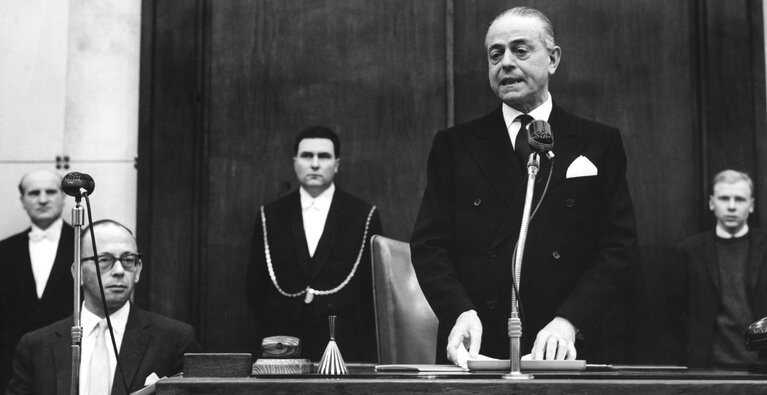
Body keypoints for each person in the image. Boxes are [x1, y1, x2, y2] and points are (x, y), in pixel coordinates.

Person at [410, 7, 637, 366]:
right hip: (478, 345)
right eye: (495, 54)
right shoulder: (455, 145)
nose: (506, 63)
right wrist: (460, 312)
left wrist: (570, 321)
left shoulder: (597, 143)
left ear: (553, 59)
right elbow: (428, 246)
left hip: (565, 345)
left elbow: (618, 247)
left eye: (521, 50)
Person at [6, 220, 201, 394]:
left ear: (138, 270)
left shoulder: (175, 340)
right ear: (78, 272)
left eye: (128, 260)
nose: (119, 271)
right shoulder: (36, 346)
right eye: (104, 260)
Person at [245, 126, 382, 362]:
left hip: (346, 350)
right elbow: (254, 286)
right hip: (283, 350)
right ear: (295, 161)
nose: (315, 164)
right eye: (307, 155)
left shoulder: (363, 214)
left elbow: (372, 289)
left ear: (337, 164)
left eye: (324, 156)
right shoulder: (270, 215)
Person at [674, 170, 767, 369]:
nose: (731, 206)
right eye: (724, 198)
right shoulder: (691, 250)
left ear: (751, 205)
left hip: (760, 367)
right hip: (708, 367)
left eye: (739, 199)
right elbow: (677, 314)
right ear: (711, 203)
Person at [0, 169, 74, 388]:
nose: (42, 199)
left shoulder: (85, 243)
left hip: (70, 361)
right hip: (11, 369)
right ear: (23, 200)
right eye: (34, 193)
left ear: (63, 197)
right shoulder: (4, 251)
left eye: (50, 192)